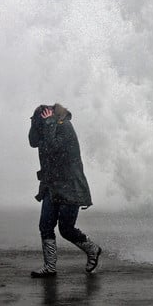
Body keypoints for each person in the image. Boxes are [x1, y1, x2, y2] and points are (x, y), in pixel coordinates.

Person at [28, 103, 102, 278]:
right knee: (45, 226)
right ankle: (50, 267)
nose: (41, 124)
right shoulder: (47, 126)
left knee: (66, 229)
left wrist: (50, 123)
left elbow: (53, 148)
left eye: (41, 121)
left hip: (71, 186)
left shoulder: (64, 127)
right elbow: (33, 142)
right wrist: (35, 122)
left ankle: (93, 250)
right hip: (52, 186)